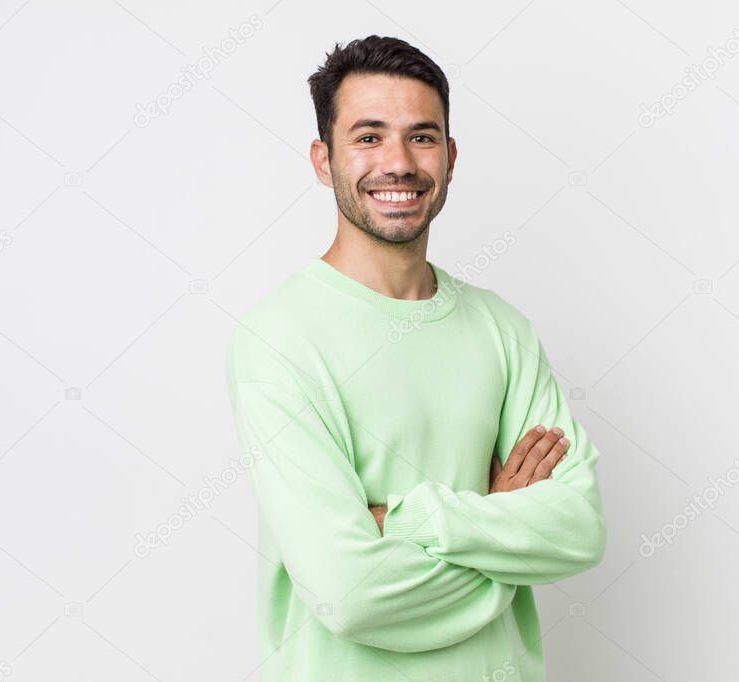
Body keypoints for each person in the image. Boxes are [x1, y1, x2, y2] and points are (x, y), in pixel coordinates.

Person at [225, 34, 606, 681]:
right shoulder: (278, 337)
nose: (397, 162)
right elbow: (350, 596)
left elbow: (578, 530)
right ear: (324, 159)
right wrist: (499, 530)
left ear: (450, 157)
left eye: (421, 136)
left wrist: (413, 519)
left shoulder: (500, 328)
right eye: (368, 137)